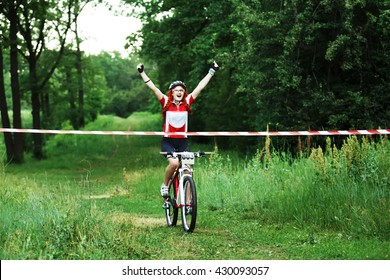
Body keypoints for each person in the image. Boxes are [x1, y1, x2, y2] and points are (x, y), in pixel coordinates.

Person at [137, 61, 219, 197]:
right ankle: (164, 185)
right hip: (168, 141)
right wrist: (142, 72)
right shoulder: (165, 102)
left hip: (182, 142)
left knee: (187, 170)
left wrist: (212, 71)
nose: (179, 92)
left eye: (181, 90)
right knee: (174, 163)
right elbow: (154, 89)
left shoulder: (187, 102)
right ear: (172, 92)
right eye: (176, 90)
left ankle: (187, 202)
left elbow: (200, 87)